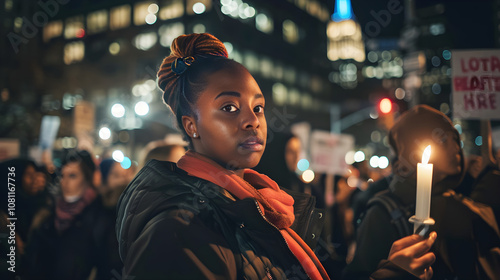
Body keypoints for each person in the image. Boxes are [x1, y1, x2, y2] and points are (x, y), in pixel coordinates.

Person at [116, 33, 436, 280]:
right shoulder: (178, 233)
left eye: (258, 108)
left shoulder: (266, 207)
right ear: (191, 125)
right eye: (229, 107)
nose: (252, 120)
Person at [344, 105, 500, 280]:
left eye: (455, 138)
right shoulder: (385, 212)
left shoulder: (462, 202)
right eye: (443, 140)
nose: (456, 147)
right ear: (413, 152)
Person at [22, 150, 118, 280]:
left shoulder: (102, 217)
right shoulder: (47, 214)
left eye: (73, 176)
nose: (65, 181)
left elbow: (110, 267)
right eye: (62, 175)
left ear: (87, 178)